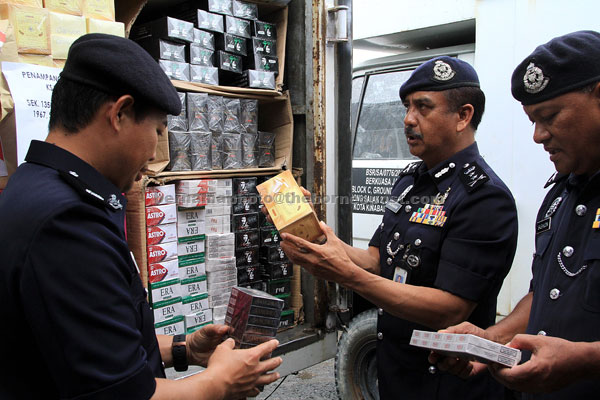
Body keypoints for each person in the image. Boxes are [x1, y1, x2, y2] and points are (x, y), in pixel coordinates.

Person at [0, 33, 281, 400]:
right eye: (158, 131)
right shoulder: (67, 223)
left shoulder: (36, 183)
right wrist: (220, 383)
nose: (154, 154)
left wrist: (184, 349)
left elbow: (94, 345)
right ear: (118, 113)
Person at [279, 56, 518, 399]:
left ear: (463, 116)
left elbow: (451, 308)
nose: (408, 119)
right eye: (407, 106)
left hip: (445, 382)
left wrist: (345, 274)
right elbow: (378, 259)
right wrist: (316, 232)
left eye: (423, 107)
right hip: (396, 370)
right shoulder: (411, 181)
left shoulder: (483, 197)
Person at [429, 30, 600, 399]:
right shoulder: (562, 193)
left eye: (550, 116)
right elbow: (545, 294)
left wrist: (587, 359)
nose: (538, 136)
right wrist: (491, 339)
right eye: (532, 121)